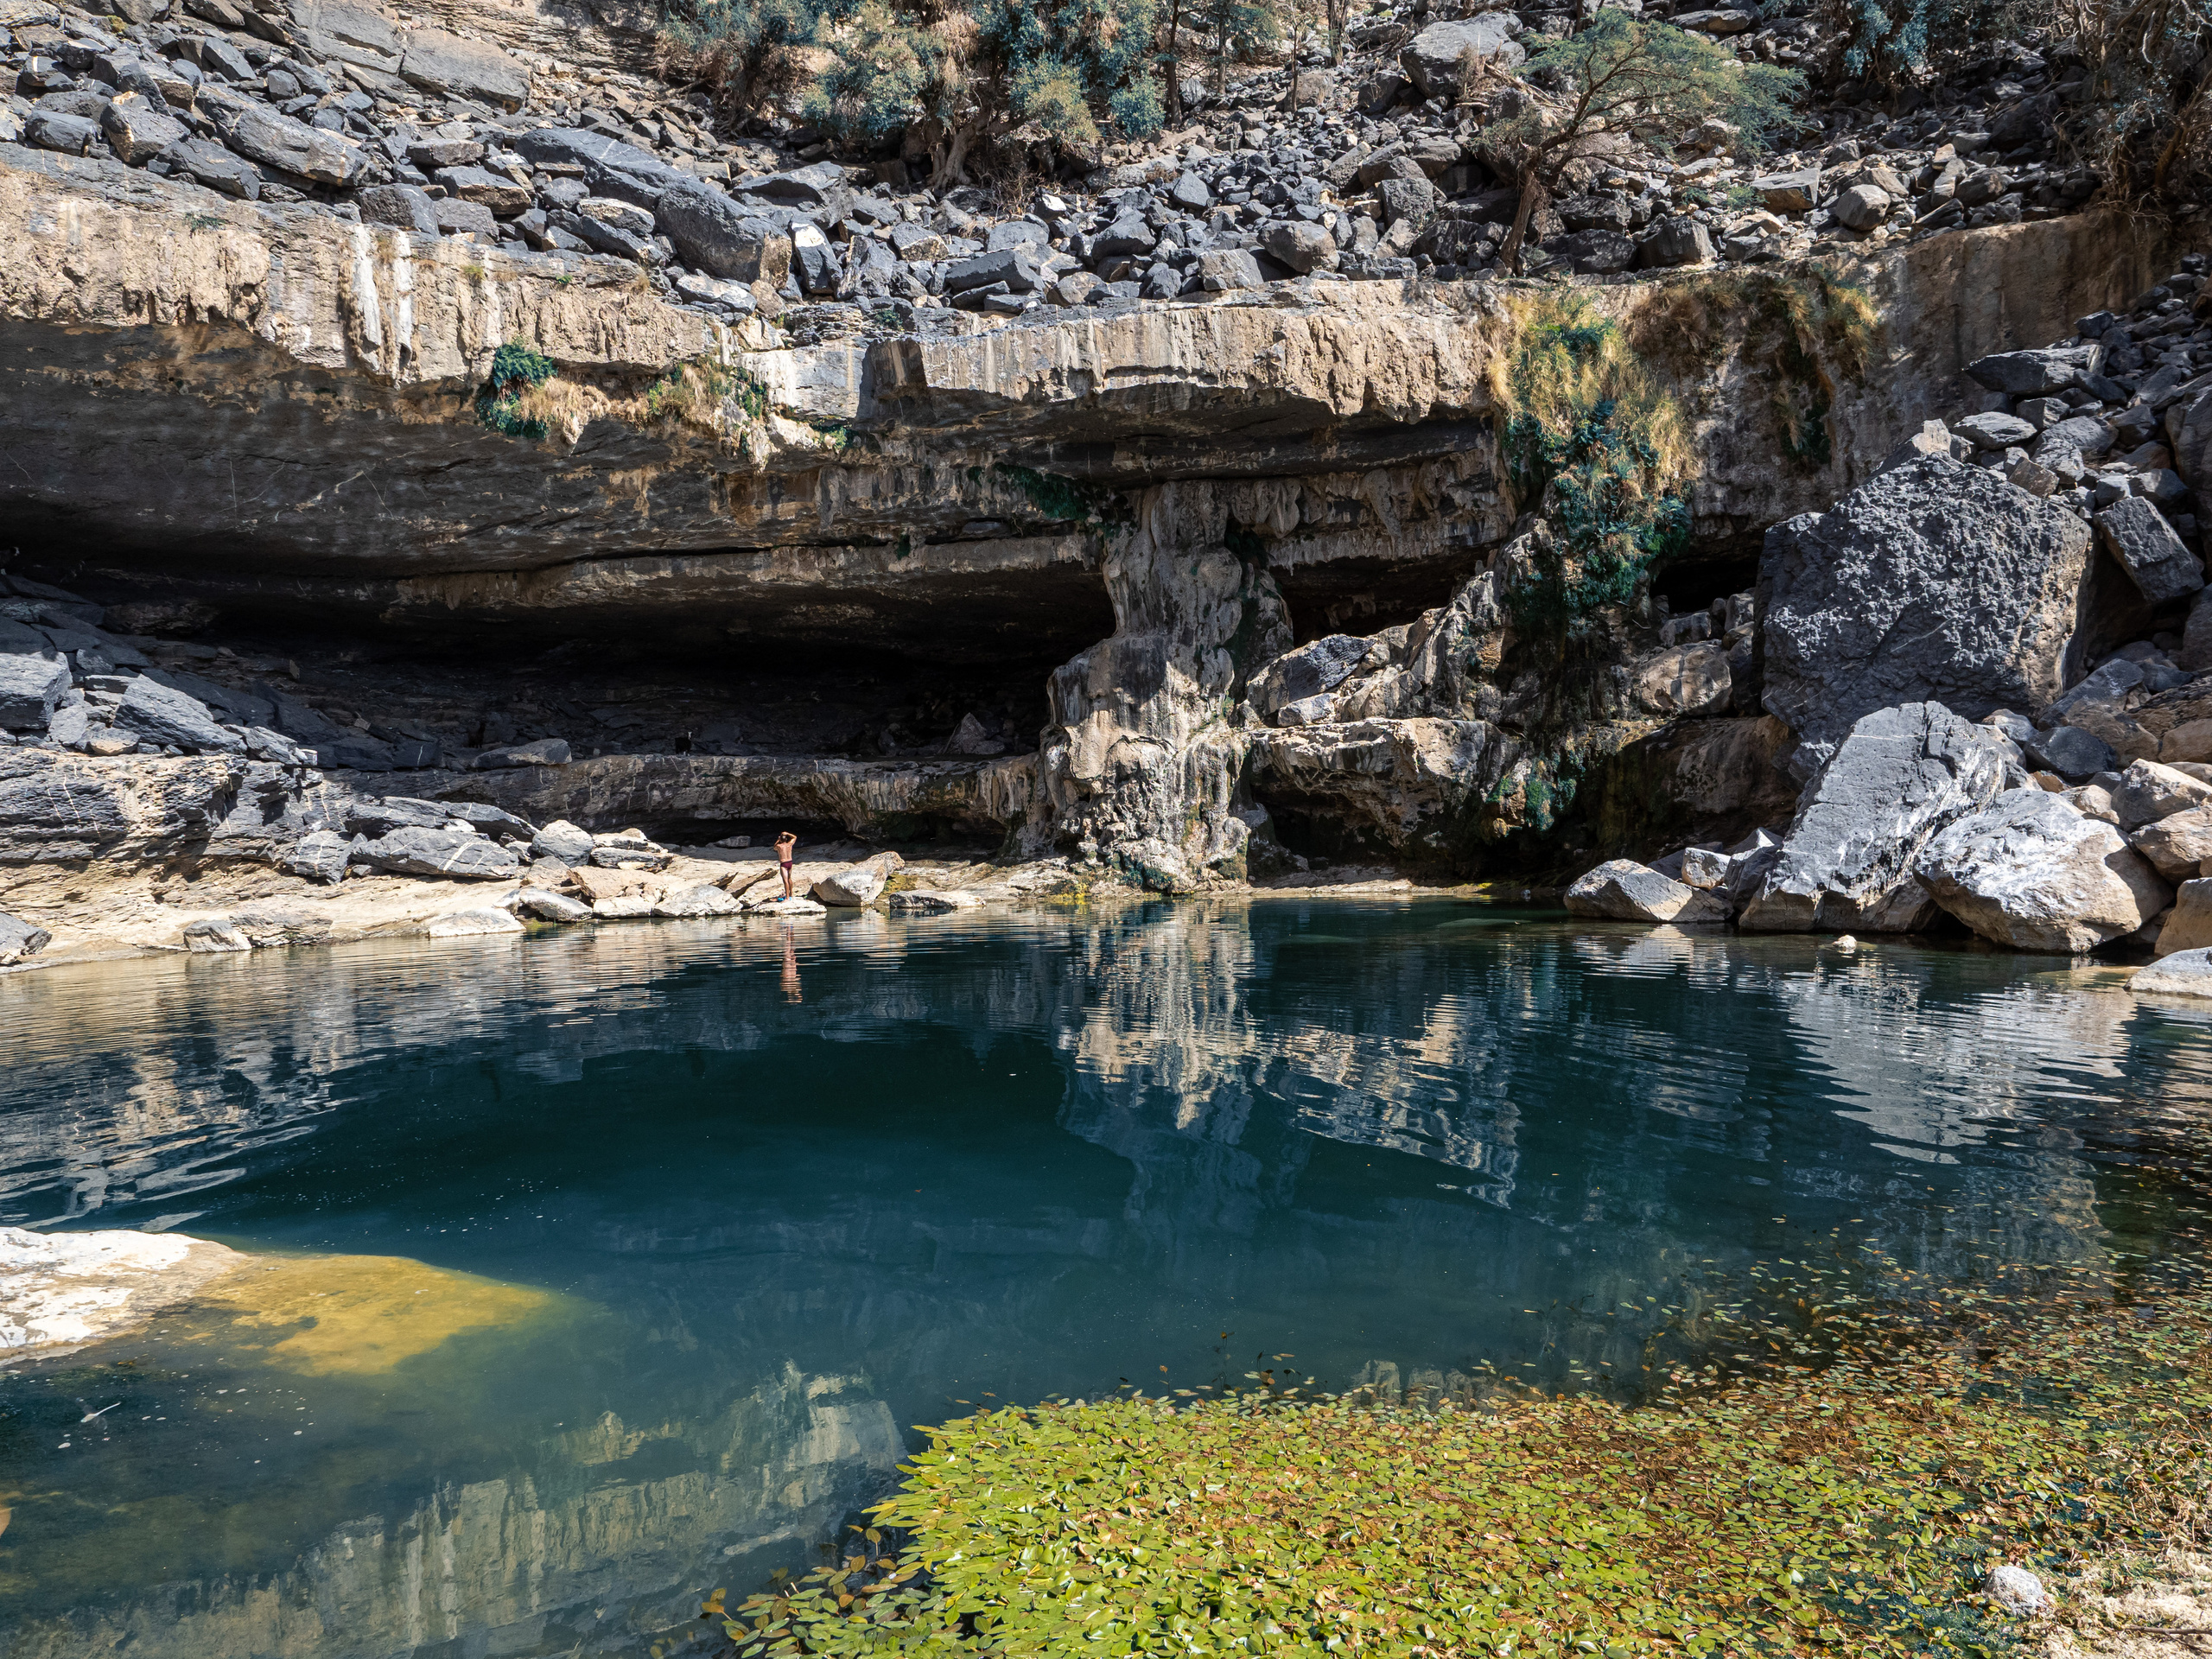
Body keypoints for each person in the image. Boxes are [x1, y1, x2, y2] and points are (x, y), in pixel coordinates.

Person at [775, 830, 797, 899]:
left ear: (780, 840)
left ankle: (787, 898)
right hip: (790, 862)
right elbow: (795, 837)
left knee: (785, 881)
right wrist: (787, 833)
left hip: (784, 864)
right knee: (789, 879)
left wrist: (778, 840)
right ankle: (791, 894)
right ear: (786, 839)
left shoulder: (779, 846)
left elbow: (774, 847)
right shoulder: (789, 844)